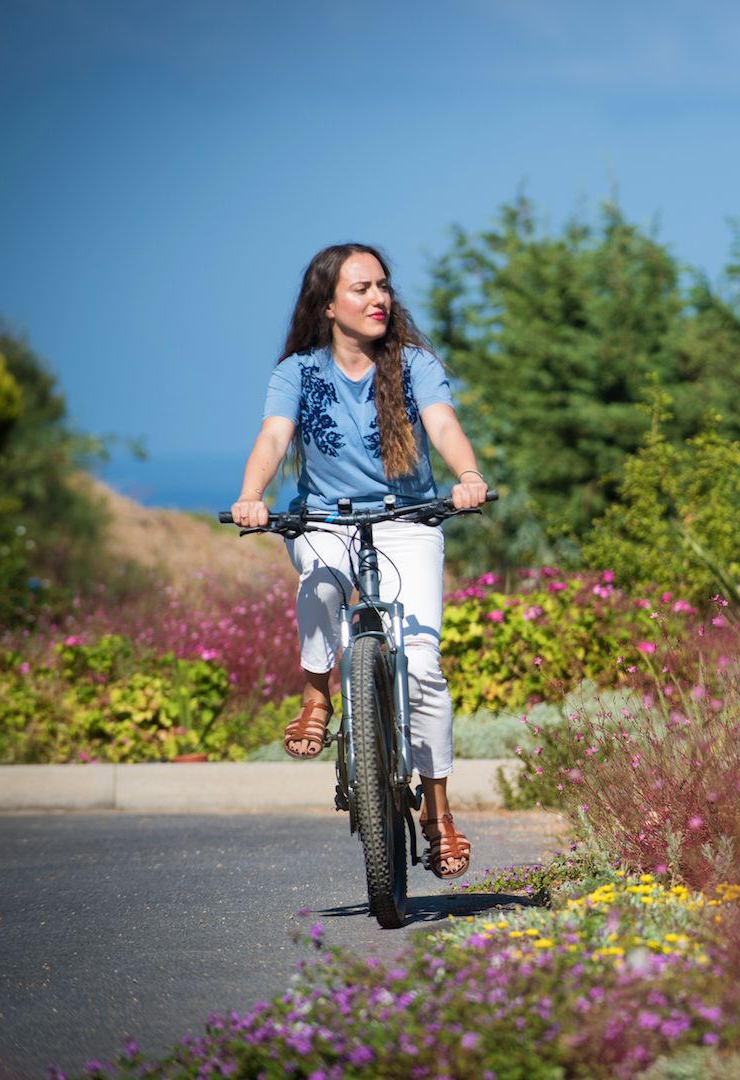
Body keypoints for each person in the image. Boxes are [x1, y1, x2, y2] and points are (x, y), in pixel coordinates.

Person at [230, 243, 487, 880]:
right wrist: (252, 496)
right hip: (325, 518)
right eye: (361, 288)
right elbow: (273, 436)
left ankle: (438, 811)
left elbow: (443, 423)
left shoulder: (414, 365)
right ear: (327, 305)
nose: (378, 298)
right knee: (318, 581)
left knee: (422, 662)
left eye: (383, 286)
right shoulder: (297, 372)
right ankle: (317, 695)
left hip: (408, 520)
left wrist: (468, 474)